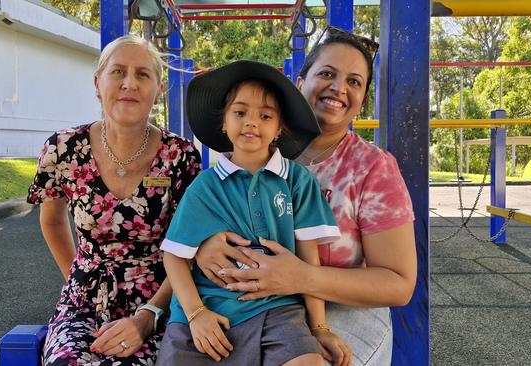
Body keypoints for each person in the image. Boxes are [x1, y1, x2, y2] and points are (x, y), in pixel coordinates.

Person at [196, 27, 417, 366]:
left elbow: (399, 284)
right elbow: (209, 216)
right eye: (327, 73)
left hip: (342, 307)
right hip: (257, 303)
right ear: (299, 84)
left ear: (361, 100)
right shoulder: (258, 151)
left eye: (354, 82)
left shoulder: (372, 168)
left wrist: (299, 277)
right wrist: (205, 245)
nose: (339, 88)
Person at [26, 35, 201, 366]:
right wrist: (76, 281)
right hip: (83, 299)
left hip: (162, 297)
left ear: (159, 89)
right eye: (118, 72)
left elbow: (189, 245)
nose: (129, 84)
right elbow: (51, 220)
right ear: (97, 83)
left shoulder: (180, 155)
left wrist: (149, 315)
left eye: (143, 74)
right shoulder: (63, 148)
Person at [156, 60, 341, 366]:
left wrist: (319, 327)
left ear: (278, 127)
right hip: (207, 308)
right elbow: (174, 256)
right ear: (224, 123)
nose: (251, 123)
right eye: (240, 113)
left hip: (277, 310)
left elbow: (309, 258)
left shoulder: (297, 180)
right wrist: (196, 314)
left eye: (265, 116)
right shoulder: (206, 186)